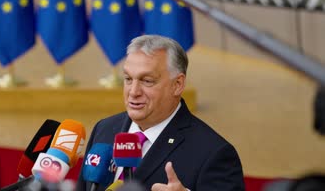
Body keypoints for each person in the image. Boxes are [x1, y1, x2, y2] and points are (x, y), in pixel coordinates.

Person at [77, 35, 245, 191]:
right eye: (128, 79)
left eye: (147, 81)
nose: (133, 91)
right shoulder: (104, 129)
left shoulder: (214, 154)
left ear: (177, 84)